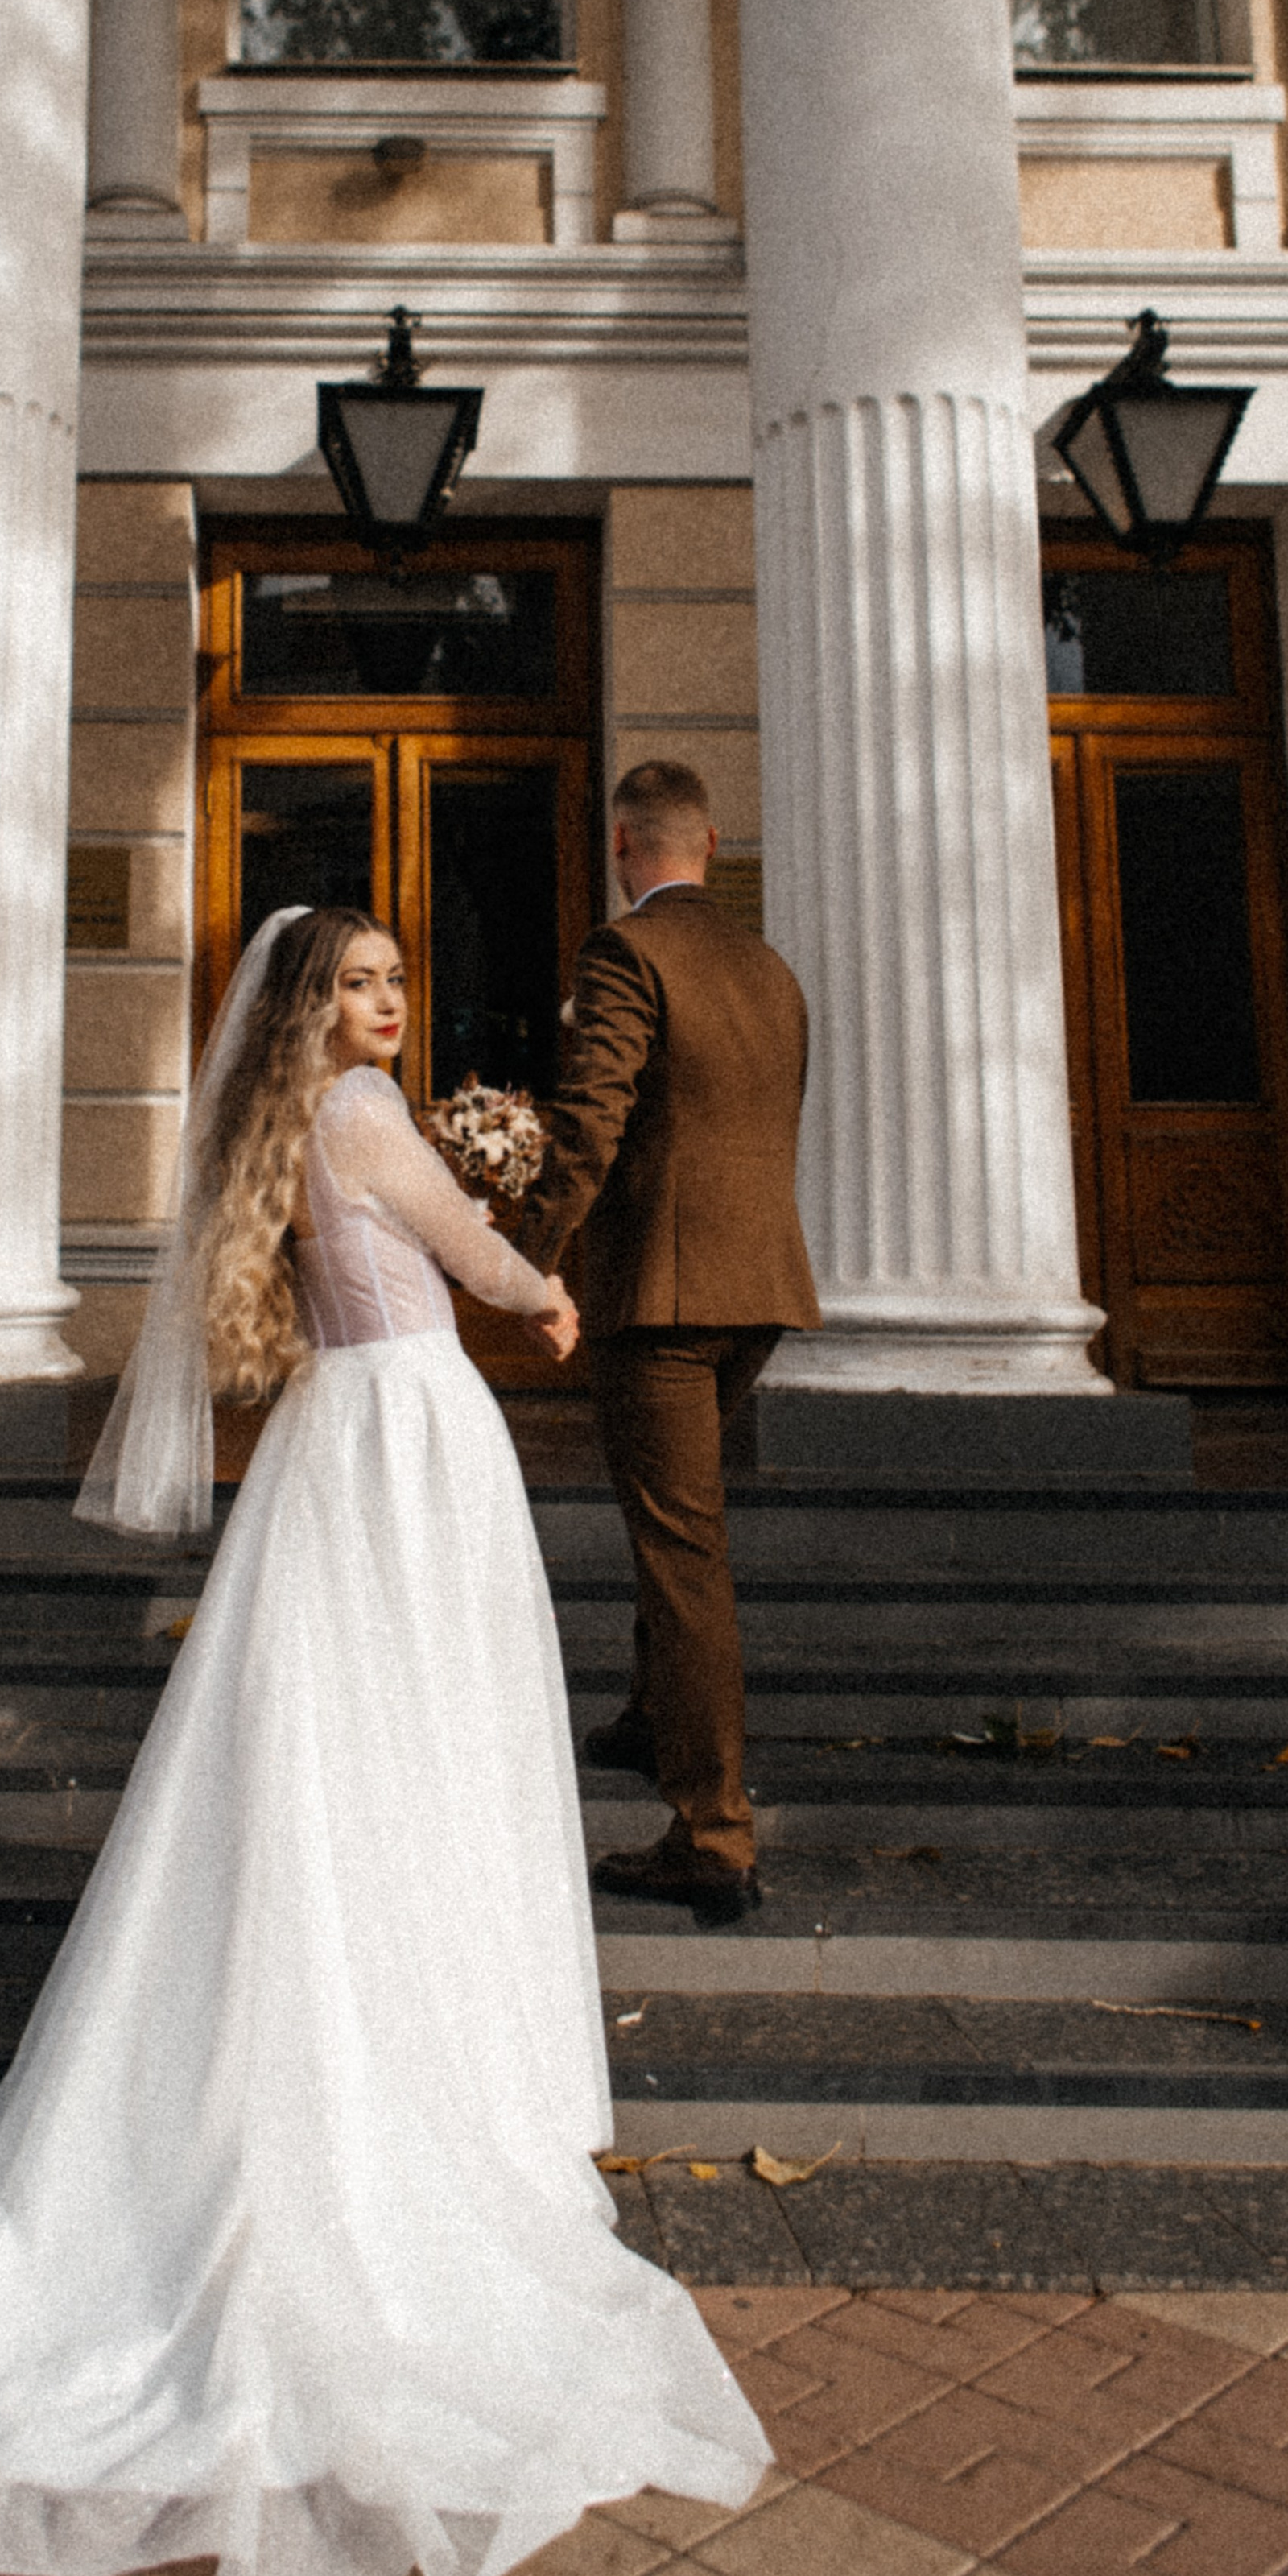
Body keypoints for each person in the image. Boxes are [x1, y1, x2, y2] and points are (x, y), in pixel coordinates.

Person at [0, 903, 771, 2576]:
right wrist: (544, 1293)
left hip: (337, 1443)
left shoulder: (288, 1122)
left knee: (346, 1745)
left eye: (392, 982)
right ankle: (412, 2089)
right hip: (404, 1436)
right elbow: (470, 1256)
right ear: (313, 1007)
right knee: (418, 1735)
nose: (384, 1003)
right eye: (357, 984)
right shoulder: (366, 1121)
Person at [516, 763, 820, 1926]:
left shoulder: (624, 954)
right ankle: (650, 1720)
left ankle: (713, 1831)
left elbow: (593, 1115)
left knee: (682, 1553)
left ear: (624, 844)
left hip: (663, 1297)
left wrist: (532, 1250)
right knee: (680, 1517)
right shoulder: (769, 966)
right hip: (761, 1287)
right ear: (710, 840)